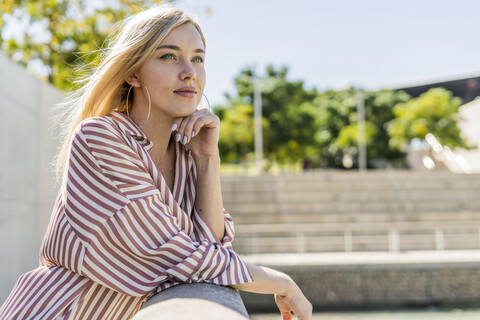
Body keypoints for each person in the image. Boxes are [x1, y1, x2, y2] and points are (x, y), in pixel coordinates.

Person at [0, 5, 312, 320]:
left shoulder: (186, 156)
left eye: (198, 58)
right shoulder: (100, 138)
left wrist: (207, 160)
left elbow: (214, 248)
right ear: (132, 73)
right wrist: (280, 282)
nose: (189, 71)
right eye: (168, 56)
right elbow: (174, 256)